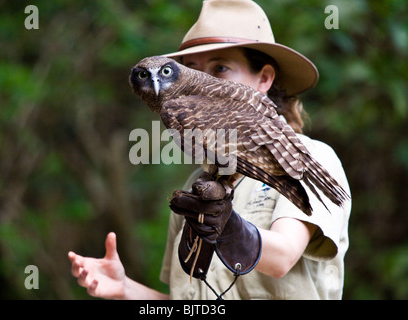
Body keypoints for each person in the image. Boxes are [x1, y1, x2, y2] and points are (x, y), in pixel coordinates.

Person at [68, 0, 351, 300]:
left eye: (220, 68)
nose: (202, 81)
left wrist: (230, 228)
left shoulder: (306, 157)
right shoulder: (199, 183)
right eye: (191, 70)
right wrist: (125, 290)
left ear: (264, 78)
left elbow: (282, 258)